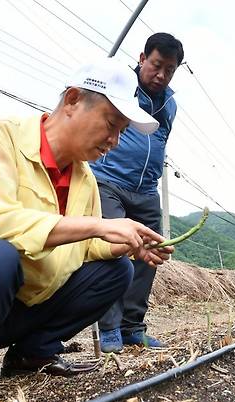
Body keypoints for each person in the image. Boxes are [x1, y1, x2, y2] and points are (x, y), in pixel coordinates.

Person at [0, 58, 174, 402]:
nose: (115, 139)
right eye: (111, 124)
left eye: (122, 131)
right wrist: (99, 225)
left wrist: (123, 243)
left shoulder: (84, 179)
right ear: (73, 100)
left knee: (117, 270)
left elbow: (85, 246)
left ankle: (32, 351)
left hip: (12, 311)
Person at [90, 33, 184, 353]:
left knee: (150, 257)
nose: (161, 75)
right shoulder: (120, 86)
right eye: (157, 65)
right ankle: (110, 327)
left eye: (169, 70)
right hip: (109, 180)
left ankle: (132, 326)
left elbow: (160, 141)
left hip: (146, 189)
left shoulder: (169, 104)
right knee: (115, 247)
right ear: (143, 58)